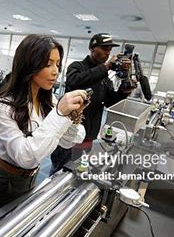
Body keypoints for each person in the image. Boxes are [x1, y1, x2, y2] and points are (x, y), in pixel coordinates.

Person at [0, 34, 87, 217]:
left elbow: (71, 141)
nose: (55, 71)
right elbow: (25, 156)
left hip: (30, 177)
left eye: (57, 64)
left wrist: (71, 118)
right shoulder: (3, 104)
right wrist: (60, 115)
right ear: (29, 64)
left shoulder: (49, 100)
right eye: (48, 64)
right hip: (1, 179)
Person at [50, 33, 135, 174]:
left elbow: (109, 102)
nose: (107, 52)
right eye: (104, 48)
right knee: (57, 174)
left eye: (109, 49)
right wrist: (106, 67)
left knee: (77, 174)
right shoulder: (77, 67)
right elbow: (75, 81)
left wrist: (124, 91)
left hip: (88, 138)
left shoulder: (104, 77)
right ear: (91, 48)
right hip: (68, 138)